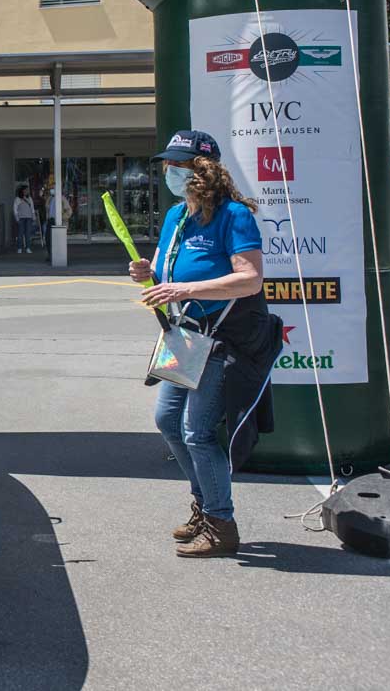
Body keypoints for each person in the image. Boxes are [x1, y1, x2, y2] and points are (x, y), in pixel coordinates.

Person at [129, 129, 281, 558]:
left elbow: (249, 278)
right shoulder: (177, 217)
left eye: (177, 166)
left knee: (198, 432)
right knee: (168, 420)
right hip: (185, 336)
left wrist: (182, 290)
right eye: (167, 166)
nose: (168, 173)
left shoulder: (234, 216)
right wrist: (148, 272)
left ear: (202, 170)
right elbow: (163, 270)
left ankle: (221, 522)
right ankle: (205, 504)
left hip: (221, 339)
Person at [12, 186, 36, 254]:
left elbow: (32, 208)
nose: (27, 191)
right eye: (26, 190)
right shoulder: (18, 199)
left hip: (29, 218)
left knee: (28, 234)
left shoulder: (30, 198)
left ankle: (28, 248)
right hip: (21, 218)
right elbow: (15, 209)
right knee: (20, 234)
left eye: (28, 190)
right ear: (22, 191)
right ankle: (19, 248)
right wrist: (17, 219)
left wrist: (33, 217)